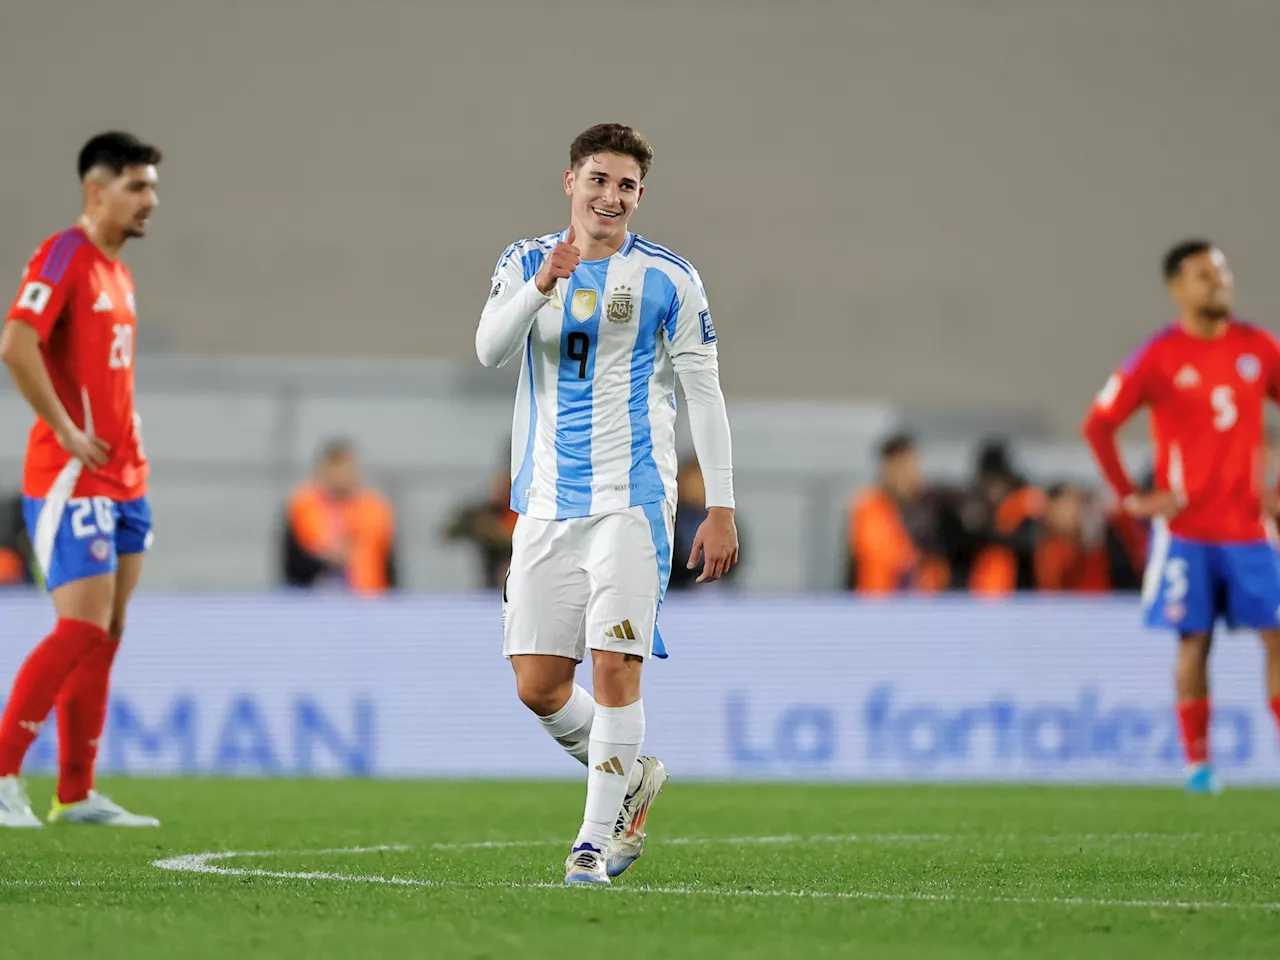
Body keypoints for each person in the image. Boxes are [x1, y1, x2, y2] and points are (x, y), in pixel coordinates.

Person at [475, 123, 738, 885]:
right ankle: (632, 772)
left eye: (625, 185)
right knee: (538, 685)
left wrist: (719, 505)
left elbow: (704, 392)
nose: (610, 196)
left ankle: (592, 845)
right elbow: (490, 349)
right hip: (546, 504)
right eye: (597, 179)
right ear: (569, 183)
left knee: (617, 665)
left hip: (633, 502)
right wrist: (542, 286)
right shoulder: (524, 260)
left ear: (639, 196)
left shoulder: (670, 279)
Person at [0, 132, 162, 827]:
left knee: (109, 628)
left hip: (126, 478)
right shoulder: (63, 255)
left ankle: (75, 790)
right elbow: (15, 342)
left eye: (153, 187)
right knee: (79, 627)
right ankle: (4, 771)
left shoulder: (118, 273)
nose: (150, 201)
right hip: (74, 475)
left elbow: (109, 378)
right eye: (136, 187)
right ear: (95, 190)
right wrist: (65, 429)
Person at [1082, 239, 1280, 794]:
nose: (1218, 282)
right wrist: (1132, 497)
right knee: (1193, 641)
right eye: (1203, 275)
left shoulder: (1259, 348)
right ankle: (1197, 766)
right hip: (1188, 532)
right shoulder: (1159, 356)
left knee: (1277, 637)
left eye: (1221, 271)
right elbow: (1099, 425)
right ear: (1177, 289)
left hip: (1248, 529)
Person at [282, 439, 397, 594]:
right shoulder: (302, 505)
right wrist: (326, 561)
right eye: (336, 466)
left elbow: (388, 561)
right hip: (313, 598)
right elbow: (294, 562)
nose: (341, 474)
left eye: (347, 467)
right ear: (324, 469)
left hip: (367, 597)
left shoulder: (375, 507)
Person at [847, 433, 950, 593]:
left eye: (913, 466)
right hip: (876, 607)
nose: (911, 475)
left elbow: (938, 570)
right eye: (902, 467)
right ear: (887, 468)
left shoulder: (928, 509)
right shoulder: (869, 507)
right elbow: (880, 555)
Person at [668, 458, 741, 591]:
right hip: (677, 592)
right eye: (692, 479)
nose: (696, 485)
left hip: (717, 592)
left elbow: (735, 554)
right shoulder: (671, 517)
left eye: (701, 480)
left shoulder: (723, 520)